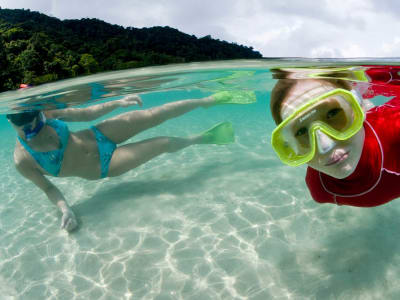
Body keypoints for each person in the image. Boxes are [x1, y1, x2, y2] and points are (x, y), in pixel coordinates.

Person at [7, 90, 256, 232]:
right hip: (105, 165)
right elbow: (49, 187)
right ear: (12, 123)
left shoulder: (48, 112)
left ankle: (210, 100)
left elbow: (85, 113)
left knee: (154, 114)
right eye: (29, 128)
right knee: (164, 144)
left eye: (38, 120)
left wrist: (117, 102)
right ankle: (203, 138)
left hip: (99, 134)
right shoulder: (23, 159)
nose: (37, 127)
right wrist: (65, 209)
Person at [270, 67, 400, 208]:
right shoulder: (320, 189)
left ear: (358, 108)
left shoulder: (396, 134)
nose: (326, 146)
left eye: (333, 113)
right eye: (301, 132)